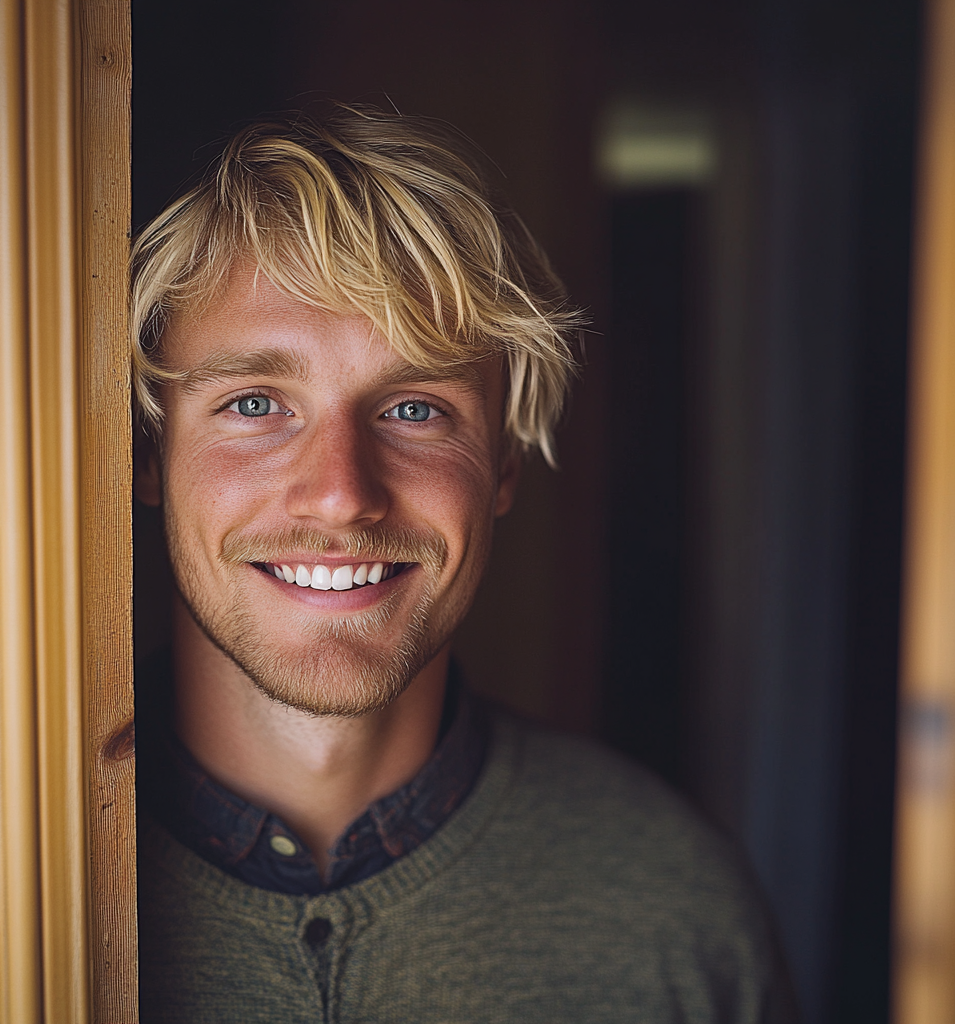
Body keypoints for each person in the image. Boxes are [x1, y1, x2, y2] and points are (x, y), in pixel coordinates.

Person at [132, 103, 797, 1023]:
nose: (339, 494)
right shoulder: (32, 880)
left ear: (504, 466)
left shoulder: (673, 907)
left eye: (414, 409)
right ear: (147, 458)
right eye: (255, 403)